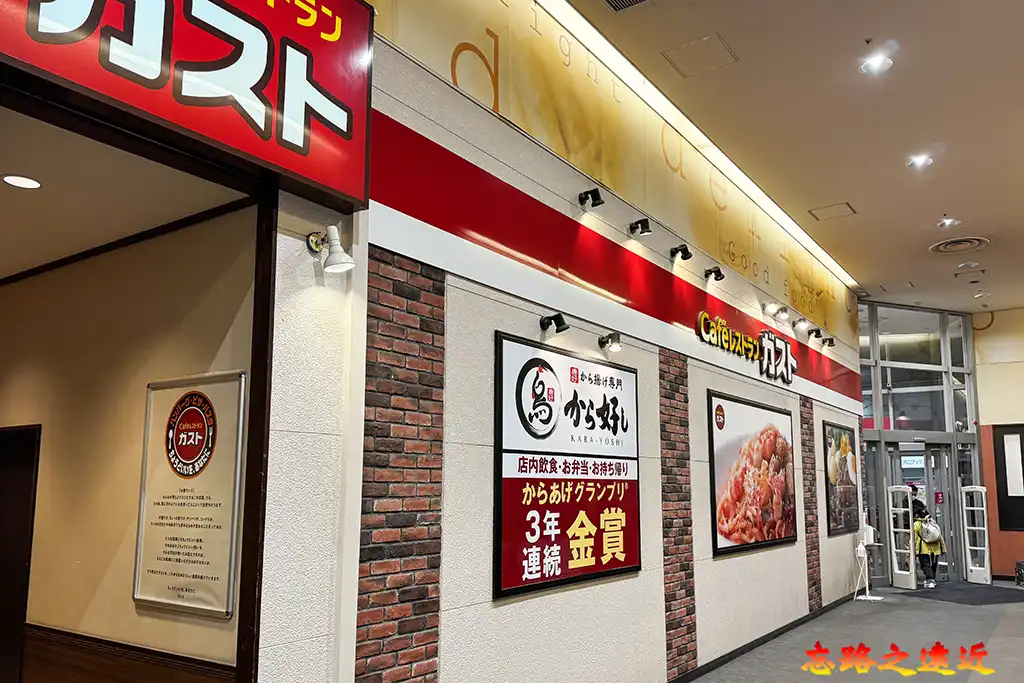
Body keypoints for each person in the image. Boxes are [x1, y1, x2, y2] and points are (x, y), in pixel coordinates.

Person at [913, 505, 946, 589]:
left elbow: (914, 538)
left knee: (925, 565)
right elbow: (939, 536)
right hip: (936, 547)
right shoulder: (932, 522)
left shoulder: (916, 524)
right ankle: (932, 580)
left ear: (916, 515)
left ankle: (930, 580)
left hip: (923, 548)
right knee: (933, 564)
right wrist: (943, 548)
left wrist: (914, 550)